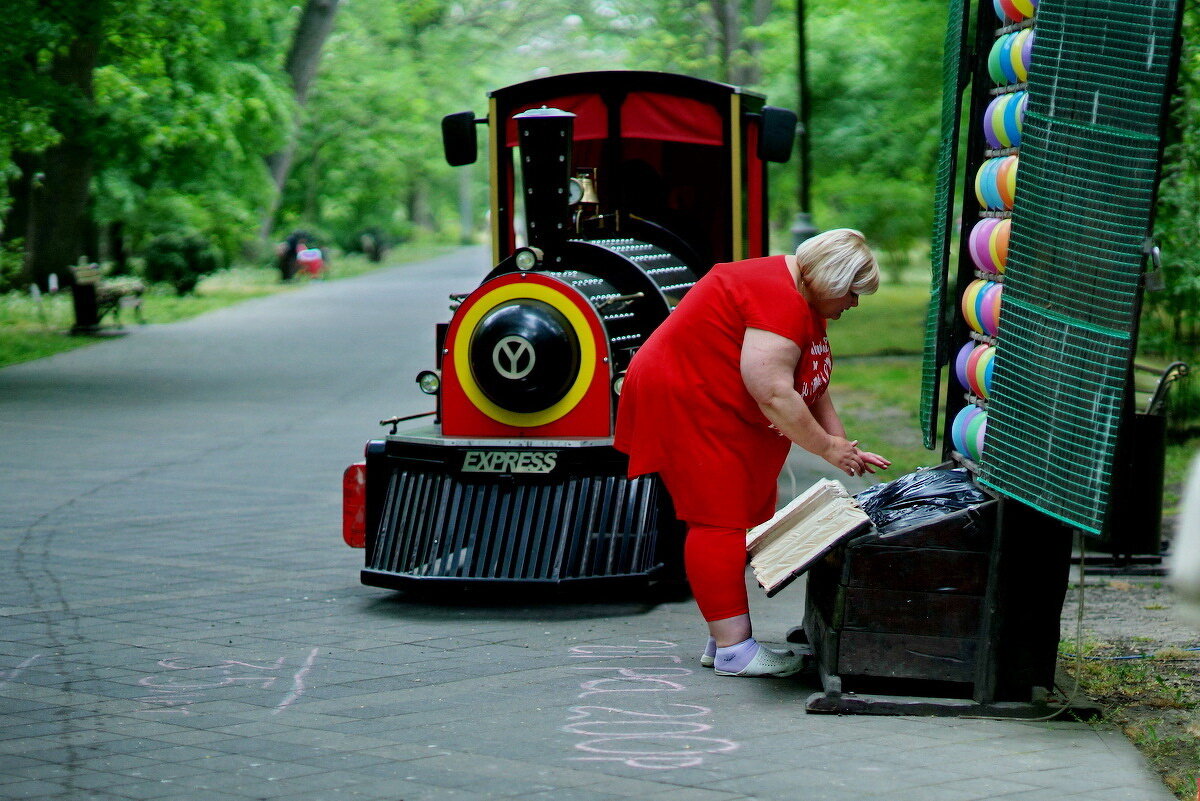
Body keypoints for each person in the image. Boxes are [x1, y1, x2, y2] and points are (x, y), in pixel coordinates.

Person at [614, 228, 891, 678]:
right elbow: (775, 393)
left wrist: (842, 447)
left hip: (714, 402)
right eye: (852, 294)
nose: (853, 306)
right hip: (688, 400)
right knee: (718, 519)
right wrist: (824, 447)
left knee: (736, 514)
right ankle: (732, 650)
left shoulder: (804, 293)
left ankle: (724, 635)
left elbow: (812, 384)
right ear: (830, 281)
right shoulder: (777, 298)